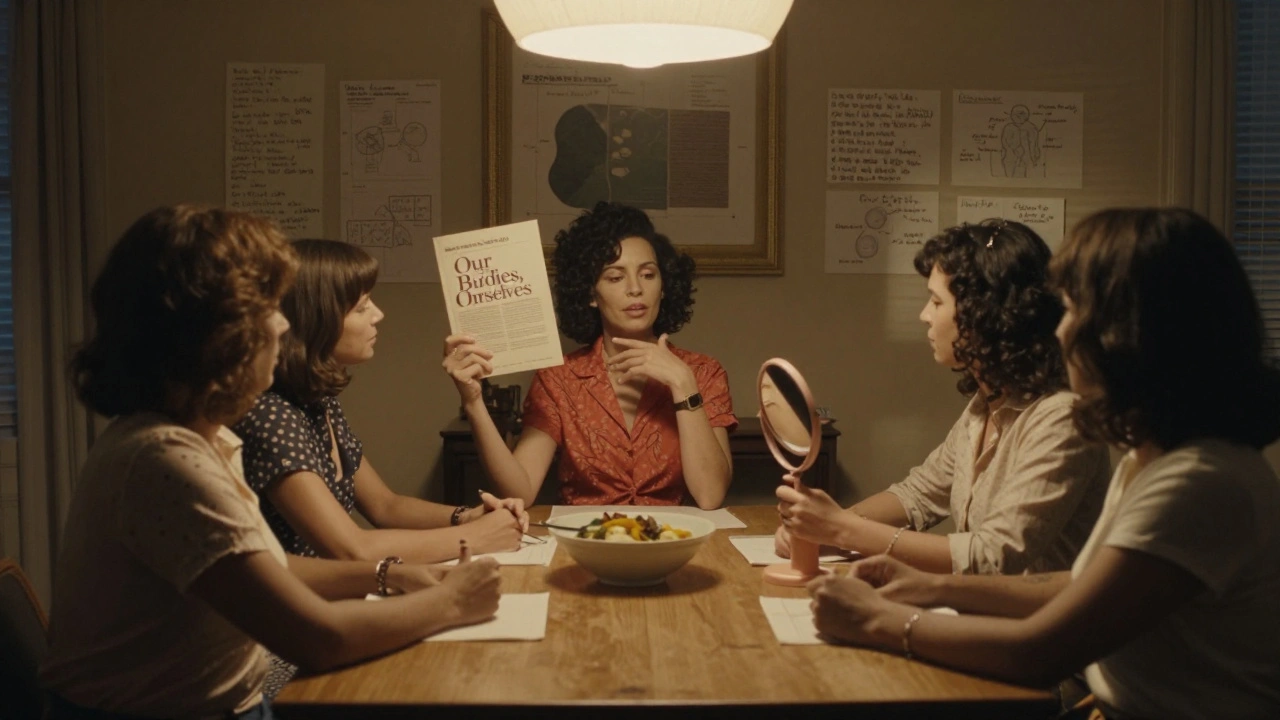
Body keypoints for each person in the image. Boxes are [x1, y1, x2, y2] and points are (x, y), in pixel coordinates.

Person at [807, 208, 1280, 719]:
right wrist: (931, 586)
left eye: (1074, 312)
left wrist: (878, 621)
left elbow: (1043, 651)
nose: (1060, 333)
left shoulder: (1200, 482)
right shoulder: (1153, 462)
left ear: (1128, 335)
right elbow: (1077, 584)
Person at [40, 205, 501, 719]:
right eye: (266, 307)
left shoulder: (201, 437)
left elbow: (271, 566)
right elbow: (318, 639)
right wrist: (454, 601)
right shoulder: (166, 462)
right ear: (217, 334)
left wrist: (386, 576)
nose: (283, 322)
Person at [777, 219, 1110, 575]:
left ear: (984, 313)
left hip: (1038, 624)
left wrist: (843, 529)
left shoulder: (1063, 418)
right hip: (980, 611)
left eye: (937, 301)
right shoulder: (985, 405)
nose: (924, 315)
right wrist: (824, 524)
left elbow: (995, 555)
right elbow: (918, 494)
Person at [233, 239, 526, 566]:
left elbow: (385, 506)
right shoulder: (270, 412)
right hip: (302, 607)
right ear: (315, 319)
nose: (378, 315)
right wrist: (477, 537)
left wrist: (469, 517)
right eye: (361, 307)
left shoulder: (317, 401)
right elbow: (350, 549)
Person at [444, 201, 737, 508]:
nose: (635, 288)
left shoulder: (702, 372)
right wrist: (473, 402)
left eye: (648, 275)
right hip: (587, 544)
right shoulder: (559, 379)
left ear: (663, 287)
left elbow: (710, 495)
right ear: (590, 294)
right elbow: (521, 492)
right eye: (615, 277)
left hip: (671, 544)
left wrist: (682, 383)